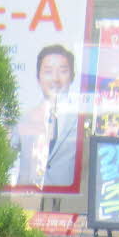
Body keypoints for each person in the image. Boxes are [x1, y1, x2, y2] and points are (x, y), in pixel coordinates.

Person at [14, 44, 79, 189]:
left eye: (63, 71)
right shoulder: (24, 118)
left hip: (66, 203)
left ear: (72, 76)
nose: (55, 79)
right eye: (48, 71)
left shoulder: (81, 120)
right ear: (38, 77)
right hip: (26, 202)